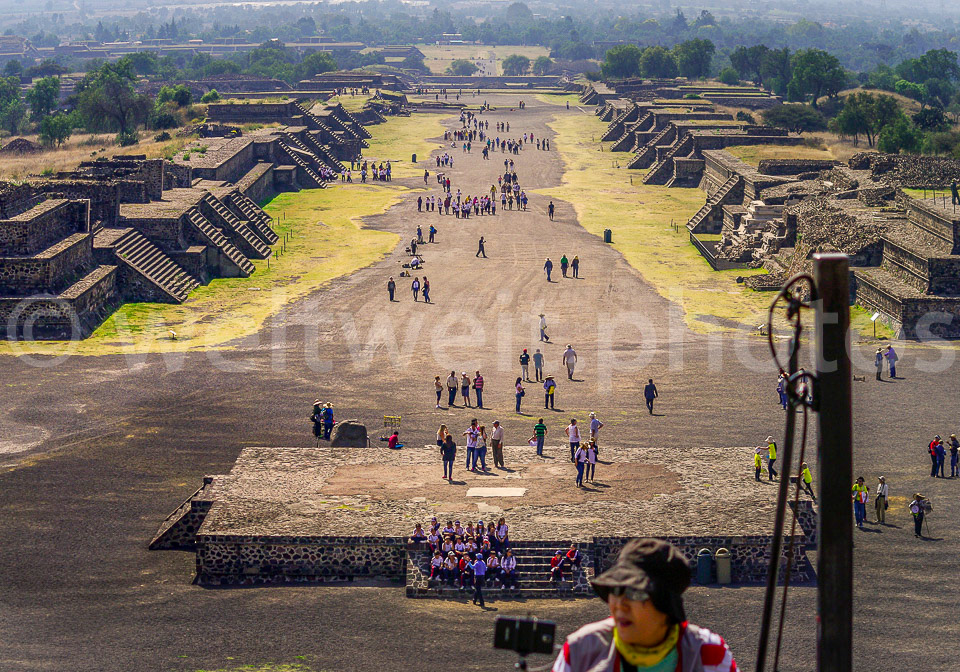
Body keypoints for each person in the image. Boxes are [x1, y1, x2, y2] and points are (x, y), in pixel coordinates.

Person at [552, 538, 736, 672]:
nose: (620, 604)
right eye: (616, 590)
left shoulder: (710, 654)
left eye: (635, 593)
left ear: (665, 604)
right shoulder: (580, 651)